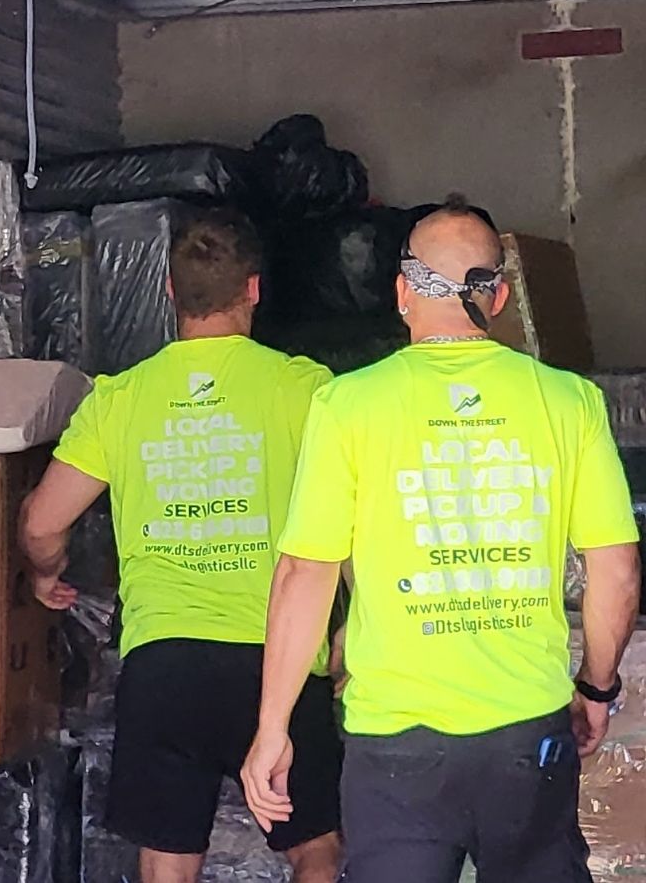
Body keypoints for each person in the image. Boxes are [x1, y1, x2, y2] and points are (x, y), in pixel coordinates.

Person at [242, 195, 641, 883]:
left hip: (394, 747)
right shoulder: (568, 401)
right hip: (526, 734)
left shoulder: (348, 404)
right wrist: (597, 687)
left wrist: (273, 725)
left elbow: (306, 572)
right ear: (500, 298)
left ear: (402, 292)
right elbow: (617, 570)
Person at [20, 209, 343, 883]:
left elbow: (43, 523)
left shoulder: (120, 398)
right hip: (279, 656)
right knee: (315, 846)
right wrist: (351, 631)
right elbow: (355, 519)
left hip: (163, 664)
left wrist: (46, 575)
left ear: (169, 291)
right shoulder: (307, 390)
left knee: (168, 861)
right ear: (253, 289)